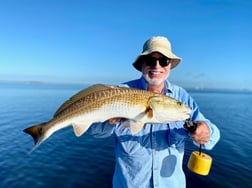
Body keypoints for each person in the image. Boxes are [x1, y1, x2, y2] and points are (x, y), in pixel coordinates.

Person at [87, 36, 220, 188]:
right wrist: (109, 121)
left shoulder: (182, 97)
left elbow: (212, 137)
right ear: (142, 64)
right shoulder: (121, 92)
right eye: (150, 61)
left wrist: (206, 131)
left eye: (163, 61)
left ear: (169, 65)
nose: (157, 66)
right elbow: (95, 131)